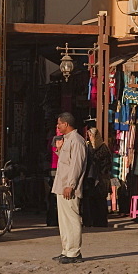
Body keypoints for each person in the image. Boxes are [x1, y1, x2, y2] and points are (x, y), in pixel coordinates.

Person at [52, 112, 87, 263]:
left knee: (72, 219)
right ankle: (66, 249)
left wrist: (70, 185)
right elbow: (66, 162)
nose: (58, 127)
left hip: (69, 187)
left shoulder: (77, 141)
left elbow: (76, 166)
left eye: (59, 124)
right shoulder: (67, 140)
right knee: (64, 220)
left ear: (66, 124)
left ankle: (74, 252)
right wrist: (59, 150)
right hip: (61, 186)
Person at [82, 127, 112, 228]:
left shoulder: (103, 148)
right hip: (90, 179)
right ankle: (91, 221)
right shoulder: (88, 147)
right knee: (90, 201)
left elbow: (106, 164)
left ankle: (101, 222)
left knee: (100, 201)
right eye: (89, 135)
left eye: (91, 135)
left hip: (101, 179)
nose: (90, 137)